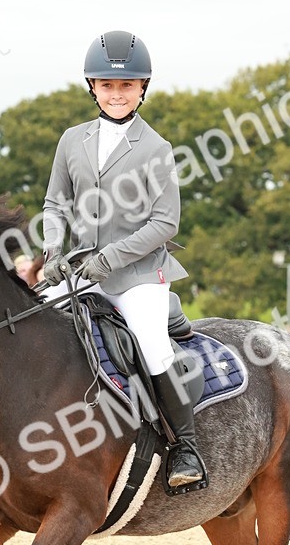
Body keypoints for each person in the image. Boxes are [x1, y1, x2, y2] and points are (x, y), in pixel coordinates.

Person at [42, 29, 205, 493]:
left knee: (152, 345)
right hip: (80, 270)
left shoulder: (156, 148)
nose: (117, 94)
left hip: (138, 275)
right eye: (108, 85)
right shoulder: (72, 139)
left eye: (127, 86)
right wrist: (54, 249)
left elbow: (165, 223)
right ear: (92, 86)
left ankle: (185, 447)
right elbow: (55, 202)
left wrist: (110, 259)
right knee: (33, 325)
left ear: (142, 89)